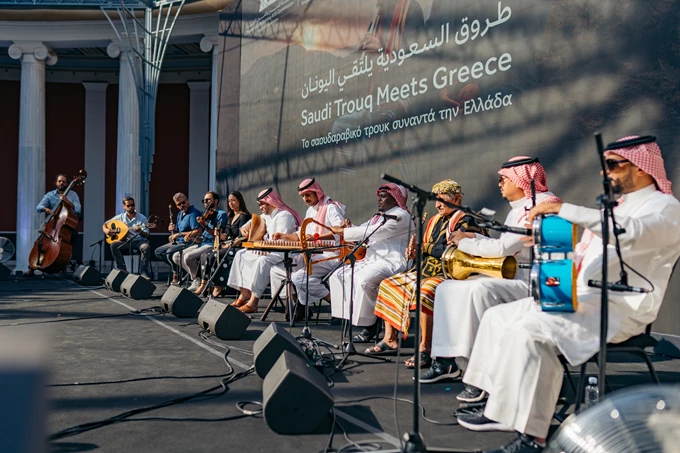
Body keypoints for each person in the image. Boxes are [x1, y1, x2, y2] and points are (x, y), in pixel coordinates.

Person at [456, 136, 680, 453]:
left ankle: (532, 438)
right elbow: (590, 250)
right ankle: (495, 405)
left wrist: (565, 210)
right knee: (497, 316)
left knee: (531, 331)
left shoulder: (667, 208)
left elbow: (630, 233)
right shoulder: (618, 207)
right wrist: (550, 242)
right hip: (586, 298)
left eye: (614, 165)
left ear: (643, 168)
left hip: (623, 309)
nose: (607, 173)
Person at [422, 157, 562, 384]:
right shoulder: (517, 208)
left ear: (522, 180)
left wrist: (463, 242)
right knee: (448, 287)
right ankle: (449, 359)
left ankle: (479, 368)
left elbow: (503, 248)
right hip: (513, 274)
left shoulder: (543, 205)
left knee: (479, 289)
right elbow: (506, 244)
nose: (499, 184)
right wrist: (473, 236)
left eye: (503, 179)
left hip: (535, 282)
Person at [370, 179, 486, 369]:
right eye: (436, 200)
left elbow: (451, 251)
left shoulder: (467, 219)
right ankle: (390, 339)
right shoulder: (433, 221)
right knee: (387, 284)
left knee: (425, 291)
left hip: (451, 273)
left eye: (442, 200)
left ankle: (426, 348)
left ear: (456, 199)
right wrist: (415, 252)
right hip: (425, 270)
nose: (437, 205)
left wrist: (423, 247)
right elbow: (428, 251)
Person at [328, 183, 412, 340]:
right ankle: (349, 318)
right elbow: (361, 229)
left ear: (395, 198)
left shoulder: (401, 215)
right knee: (338, 275)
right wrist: (349, 226)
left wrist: (345, 232)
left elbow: (374, 233)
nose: (379, 199)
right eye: (378, 196)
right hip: (372, 260)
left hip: (392, 261)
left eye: (383, 196)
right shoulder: (378, 217)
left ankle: (371, 325)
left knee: (364, 281)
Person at [270, 178, 346, 321]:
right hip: (315, 255)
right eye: (303, 196)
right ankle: (300, 307)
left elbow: (339, 231)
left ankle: (337, 307)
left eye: (308, 195)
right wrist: (284, 236)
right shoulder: (310, 211)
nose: (306, 199)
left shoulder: (330, 208)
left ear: (317, 192)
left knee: (299, 278)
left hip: (332, 255)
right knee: (283, 269)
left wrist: (316, 238)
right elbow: (302, 235)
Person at [228, 188, 301, 313]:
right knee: (241, 254)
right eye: (259, 205)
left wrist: (265, 247)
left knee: (263, 261)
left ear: (270, 202)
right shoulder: (266, 216)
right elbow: (245, 226)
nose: (260, 207)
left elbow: (283, 241)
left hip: (283, 251)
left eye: (262, 204)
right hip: (268, 249)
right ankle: (244, 293)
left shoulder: (284, 215)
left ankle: (254, 301)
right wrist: (244, 230)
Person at [195, 191, 252, 297]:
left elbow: (242, 238)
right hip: (229, 245)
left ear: (240, 201)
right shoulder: (231, 217)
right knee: (205, 254)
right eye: (229, 201)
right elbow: (225, 236)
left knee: (214, 255)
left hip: (238, 247)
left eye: (233, 200)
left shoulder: (243, 217)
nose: (231, 203)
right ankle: (204, 283)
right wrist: (217, 234)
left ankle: (219, 285)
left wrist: (228, 244)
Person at [27, 174, 83, 276]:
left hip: (66, 226)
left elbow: (78, 210)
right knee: (39, 241)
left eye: (64, 182)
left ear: (67, 183)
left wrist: (67, 201)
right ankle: (31, 268)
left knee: (74, 235)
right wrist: (46, 209)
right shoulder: (50, 195)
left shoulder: (73, 195)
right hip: (52, 226)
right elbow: (39, 207)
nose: (61, 183)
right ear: (56, 183)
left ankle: (64, 260)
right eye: (59, 181)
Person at [176, 192, 228, 291]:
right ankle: (198, 278)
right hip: (202, 242)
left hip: (212, 244)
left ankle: (197, 280)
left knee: (188, 257)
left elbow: (218, 236)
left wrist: (204, 225)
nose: (205, 202)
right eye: (204, 201)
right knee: (177, 256)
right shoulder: (206, 214)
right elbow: (201, 234)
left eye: (208, 200)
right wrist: (191, 236)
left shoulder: (221, 214)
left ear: (216, 201)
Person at [154, 193, 202, 284]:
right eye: (178, 204)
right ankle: (181, 268)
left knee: (169, 253)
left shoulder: (193, 213)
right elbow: (180, 229)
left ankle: (176, 273)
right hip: (179, 241)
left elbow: (197, 231)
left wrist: (178, 235)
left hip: (190, 242)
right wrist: (173, 229)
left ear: (187, 201)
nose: (181, 205)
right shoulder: (180, 214)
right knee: (158, 252)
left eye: (183, 202)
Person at [102, 196, 152, 279]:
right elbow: (105, 223)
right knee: (114, 245)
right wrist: (106, 230)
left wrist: (140, 231)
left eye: (132, 205)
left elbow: (147, 235)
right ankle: (122, 268)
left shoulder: (142, 218)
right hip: (126, 242)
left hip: (139, 242)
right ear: (124, 206)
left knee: (145, 247)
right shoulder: (120, 217)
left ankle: (143, 272)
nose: (131, 207)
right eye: (128, 206)